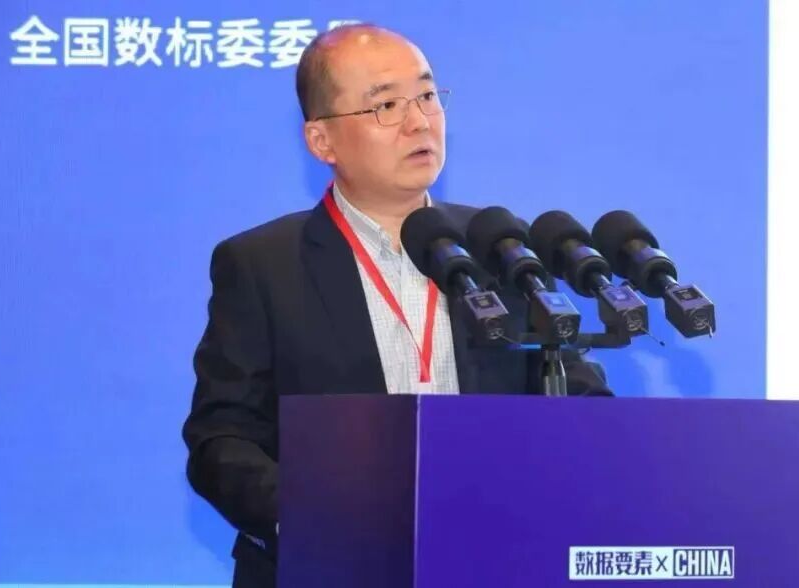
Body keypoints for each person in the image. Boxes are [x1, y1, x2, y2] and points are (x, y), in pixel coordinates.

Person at [182, 23, 609, 588]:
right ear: (321, 141)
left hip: (491, 562)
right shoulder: (262, 264)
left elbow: (579, 397)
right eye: (385, 105)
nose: (419, 121)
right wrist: (309, 519)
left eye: (427, 96)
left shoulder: (503, 247)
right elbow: (222, 438)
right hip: (328, 570)